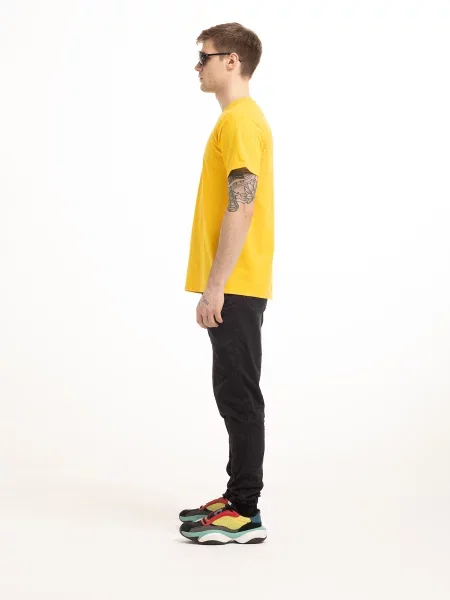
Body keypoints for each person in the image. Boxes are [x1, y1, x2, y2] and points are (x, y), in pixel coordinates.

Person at [179, 22, 274, 545]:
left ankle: (244, 510)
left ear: (232, 61)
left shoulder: (240, 122)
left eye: (205, 56)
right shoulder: (237, 121)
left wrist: (216, 285)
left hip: (235, 284)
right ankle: (236, 495)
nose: (197, 66)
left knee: (239, 396)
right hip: (235, 283)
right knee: (232, 391)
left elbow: (243, 204)